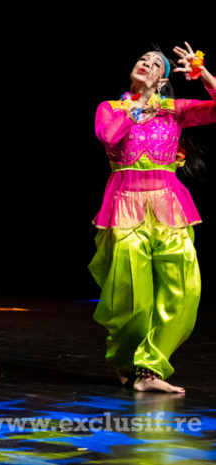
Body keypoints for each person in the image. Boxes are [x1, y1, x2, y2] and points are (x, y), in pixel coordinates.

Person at [89, 42, 216, 393]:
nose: (145, 64)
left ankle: (151, 369)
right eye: (141, 60)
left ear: (162, 80)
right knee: (132, 295)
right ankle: (129, 365)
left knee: (185, 289)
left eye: (154, 64)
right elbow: (107, 135)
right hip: (125, 207)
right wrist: (137, 106)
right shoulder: (110, 108)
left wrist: (202, 73)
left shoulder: (174, 110)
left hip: (169, 207)